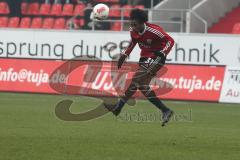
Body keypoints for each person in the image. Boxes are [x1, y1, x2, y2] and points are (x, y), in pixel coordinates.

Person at [105, 9, 175, 126]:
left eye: (135, 24)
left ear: (142, 22)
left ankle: (118, 107)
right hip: (144, 58)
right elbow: (133, 42)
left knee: (136, 80)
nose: (132, 26)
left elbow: (170, 40)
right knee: (142, 86)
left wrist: (163, 52)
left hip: (157, 57)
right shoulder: (133, 30)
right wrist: (125, 54)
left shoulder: (154, 30)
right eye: (131, 23)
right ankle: (165, 110)